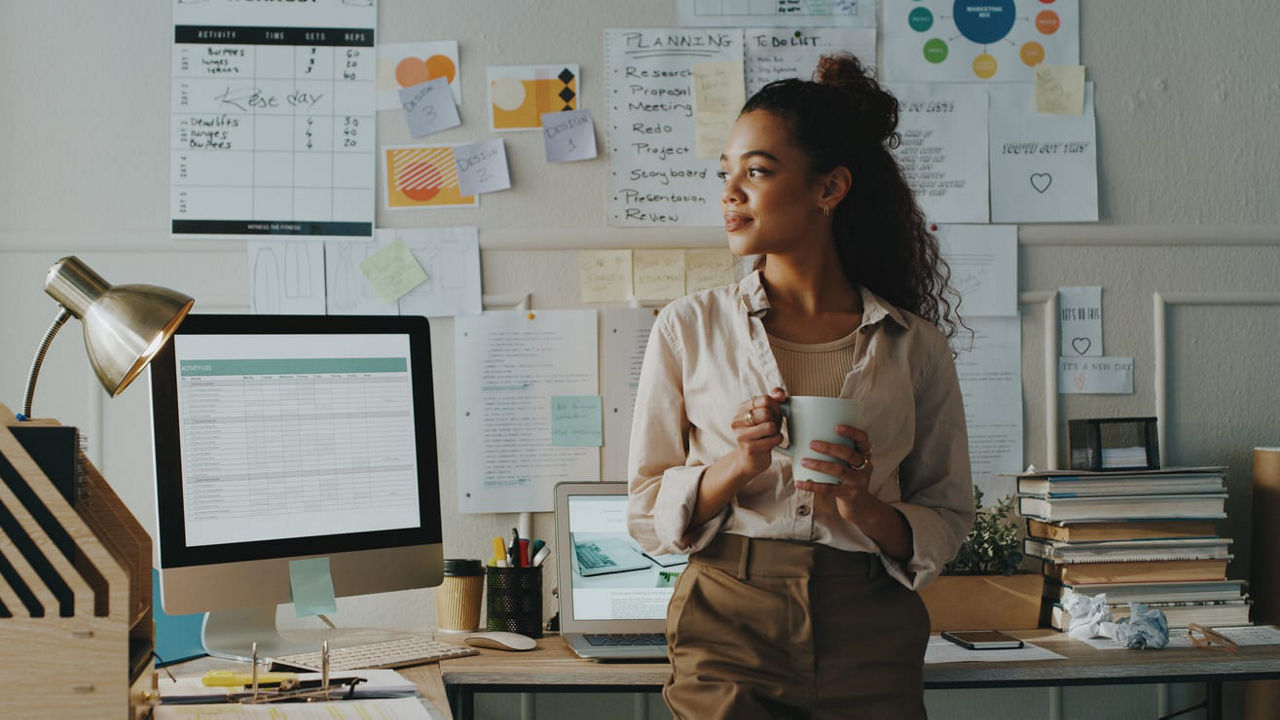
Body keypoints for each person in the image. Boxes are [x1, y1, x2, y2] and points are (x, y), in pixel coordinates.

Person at [626, 53, 975, 720]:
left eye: (756, 171)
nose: (730, 193)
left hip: (871, 625)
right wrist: (738, 464)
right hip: (728, 619)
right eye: (725, 173)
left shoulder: (915, 345)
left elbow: (949, 513)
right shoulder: (687, 326)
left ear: (829, 188)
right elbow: (645, 509)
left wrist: (861, 506)